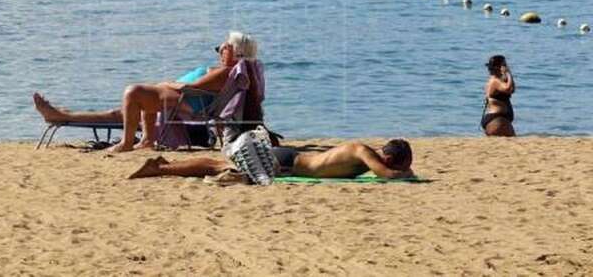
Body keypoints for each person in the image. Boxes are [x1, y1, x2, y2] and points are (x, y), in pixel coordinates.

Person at [33, 31, 259, 152]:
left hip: (182, 102)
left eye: (225, 47)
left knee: (132, 93)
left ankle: (126, 142)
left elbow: (189, 88)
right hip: (177, 102)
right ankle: (63, 116)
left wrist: (167, 83)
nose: (220, 50)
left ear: (236, 52)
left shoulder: (225, 72)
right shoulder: (229, 71)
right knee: (119, 113)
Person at [128, 139, 414, 180]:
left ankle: (163, 164)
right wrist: (406, 174)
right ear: (390, 158)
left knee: (221, 164)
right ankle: (160, 167)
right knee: (222, 166)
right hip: (287, 161)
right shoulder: (365, 153)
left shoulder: (367, 156)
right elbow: (386, 175)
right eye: (399, 163)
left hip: (289, 158)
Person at [481, 55, 516, 137]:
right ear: (498, 67)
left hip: (498, 119)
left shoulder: (498, 81)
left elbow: (512, 89)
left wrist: (508, 76)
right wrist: (508, 73)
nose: (506, 66)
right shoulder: (495, 81)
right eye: (504, 65)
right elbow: (508, 88)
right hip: (497, 119)